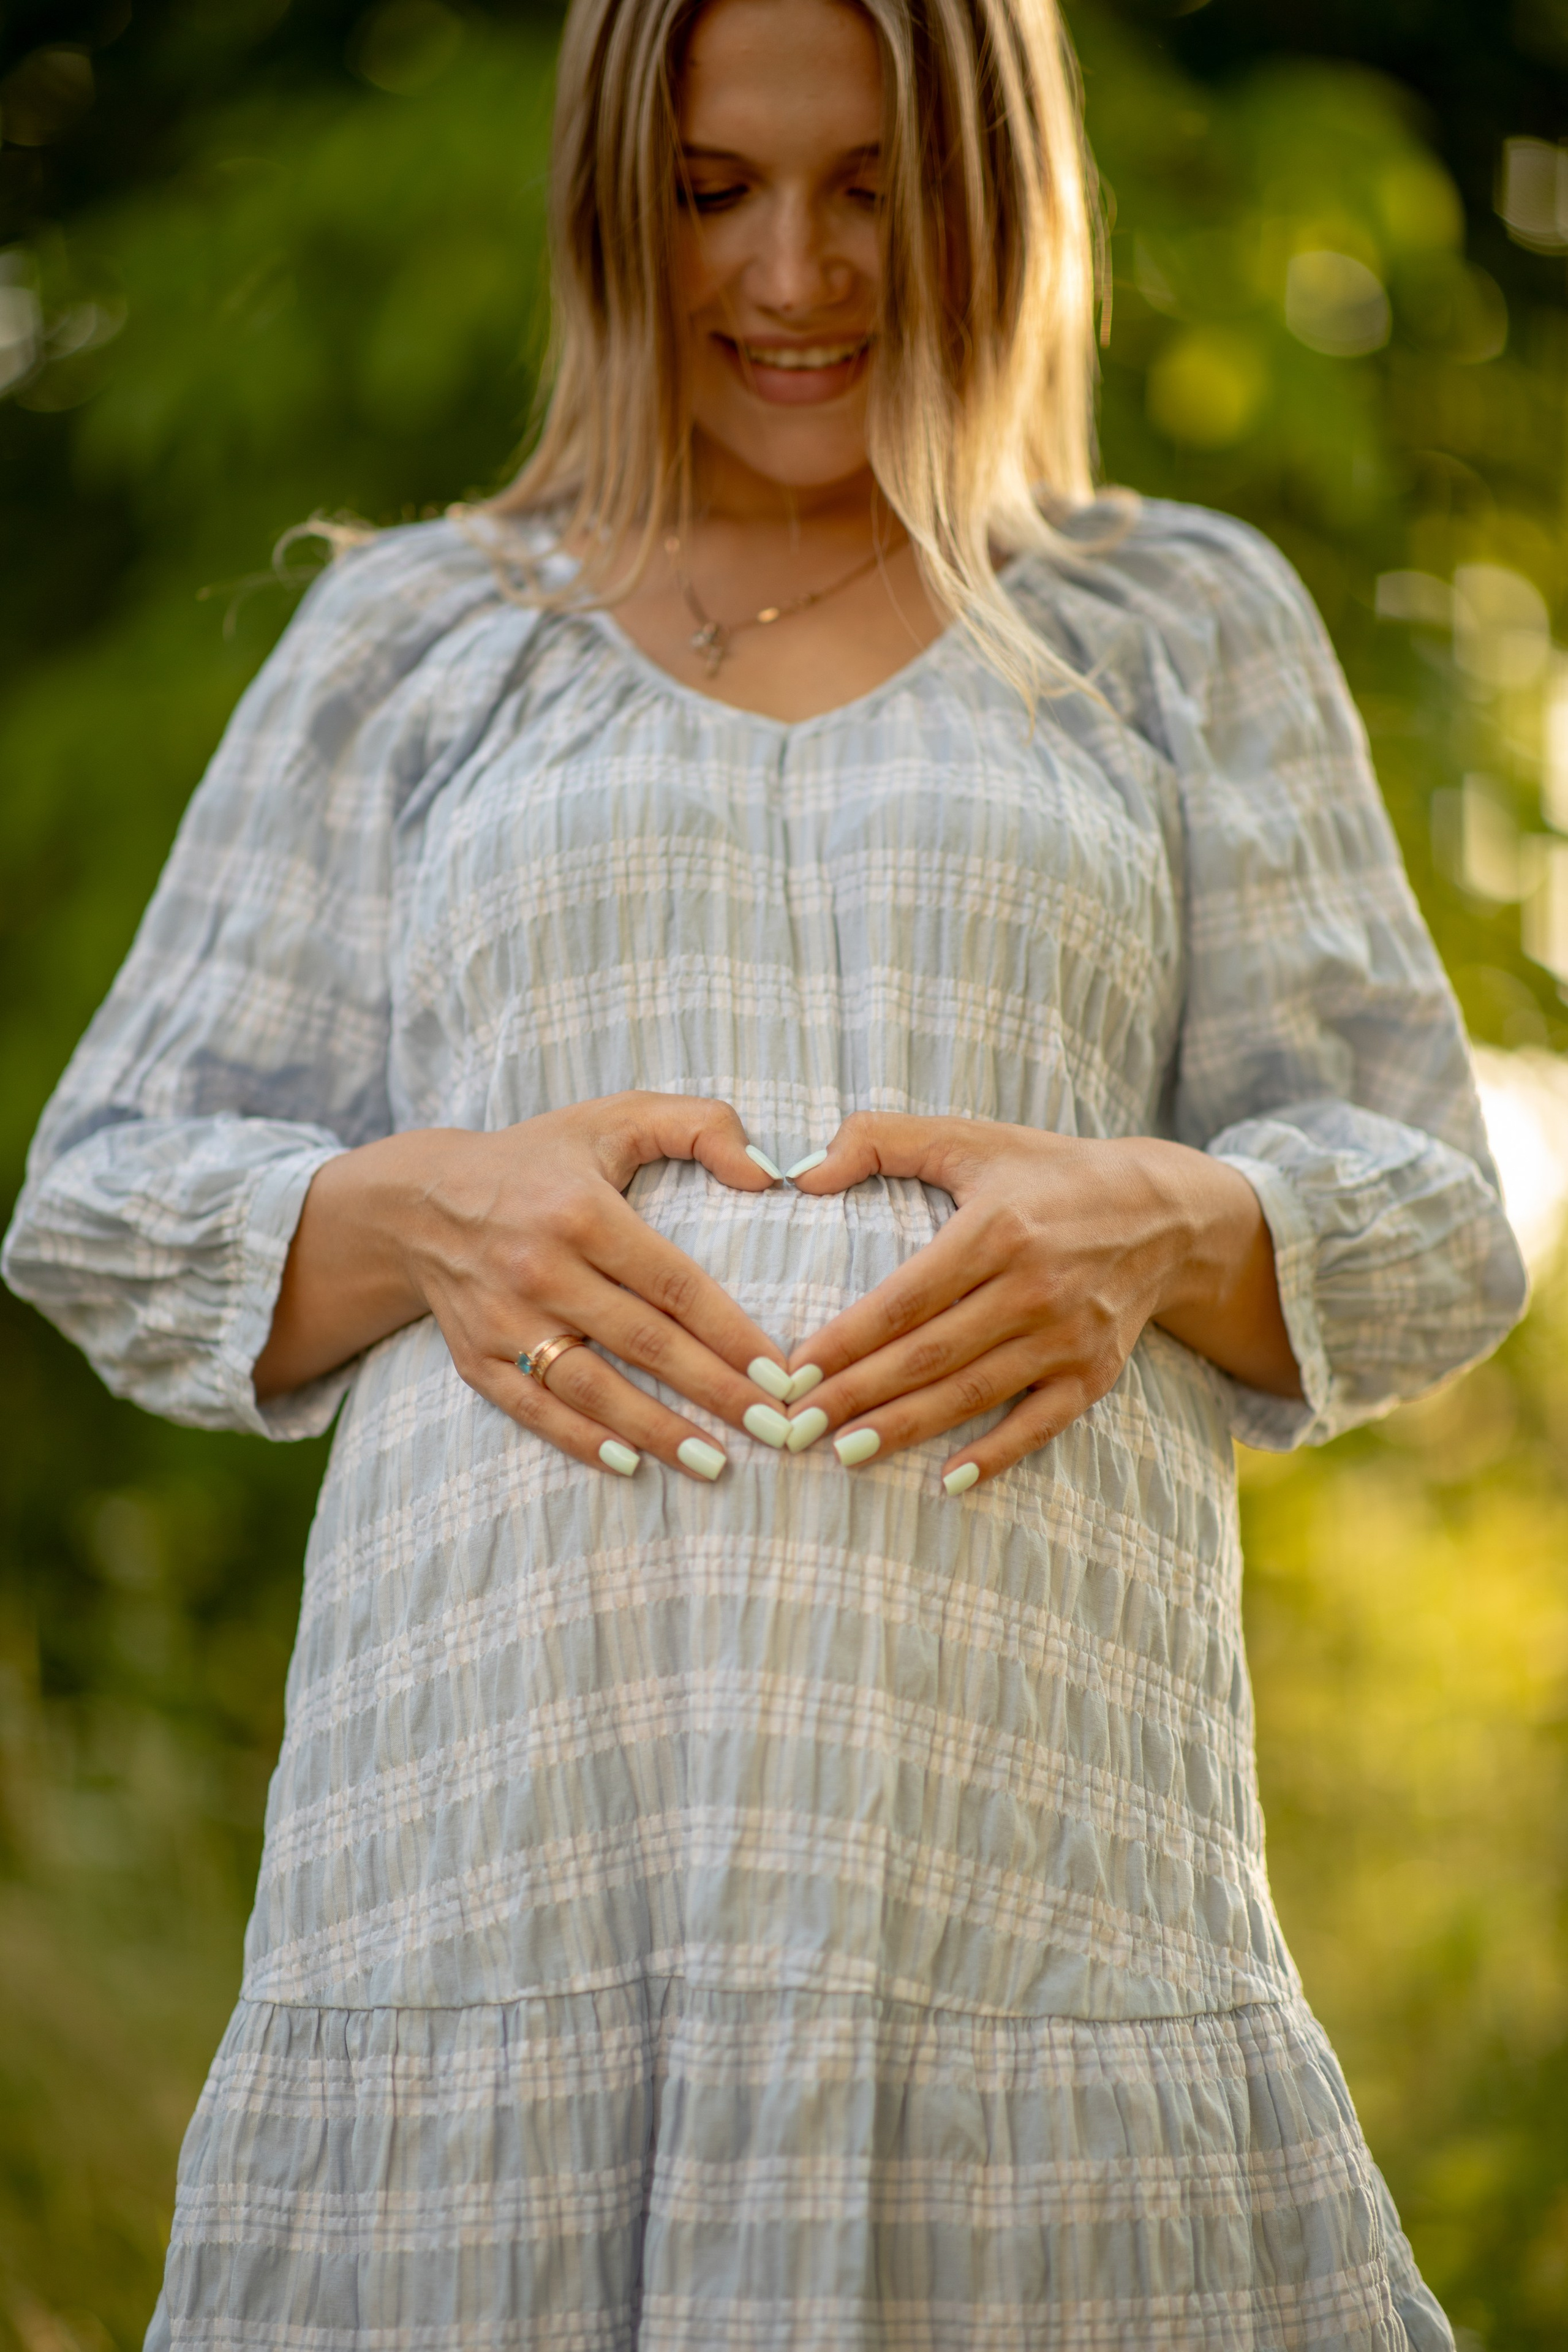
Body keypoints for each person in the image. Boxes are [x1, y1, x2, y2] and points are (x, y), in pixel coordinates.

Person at [1, 0, 1528, 2339]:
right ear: (620, 206)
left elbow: (1435, 1211)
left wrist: (1172, 1219)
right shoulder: (424, 638)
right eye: (717, 192)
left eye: (873, 189)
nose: (795, 271)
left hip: (1028, 1884)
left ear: (996, 200)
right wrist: (426, 1204)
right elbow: (101, 1195)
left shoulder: (1168, 622)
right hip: (494, 1871)